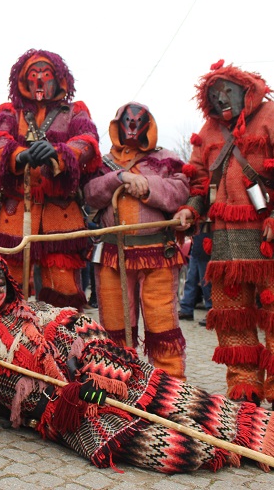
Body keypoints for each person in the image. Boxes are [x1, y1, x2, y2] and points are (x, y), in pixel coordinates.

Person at [0, 246, 274, 476]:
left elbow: (93, 339)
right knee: (173, 447)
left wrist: (100, 377)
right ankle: (266, 453)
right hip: (65, 414)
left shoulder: (41, 311)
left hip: (108, 383)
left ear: (7, 280)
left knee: (205, 408)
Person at [173, 61, 274, 419]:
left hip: (271, 241)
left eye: (228, 92)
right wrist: (191, 209)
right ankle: (244, 389)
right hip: (225, 244)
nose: (222, 99)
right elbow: (199, 181)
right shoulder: (208, 131)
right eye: (214, 94)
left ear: (245, 91)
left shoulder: (273, 116)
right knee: (232, 318)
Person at [0, 49, 100, 309]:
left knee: (63, 289)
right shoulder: (10, 112)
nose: (39, 81)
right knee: (9, 284)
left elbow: (88, 141)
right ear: (22, 81)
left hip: (60, 213)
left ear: (59, 80)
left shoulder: (75, 112)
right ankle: (12, 345)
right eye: (33, 74)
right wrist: (18, 155)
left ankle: (61, 345)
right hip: (17, 213)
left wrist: (61, 154)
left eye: (46, 74)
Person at [84, 103, 189, 380]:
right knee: (115, 328)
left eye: (138, 121)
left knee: (162, 326)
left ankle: (169, 387)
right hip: (111, 255)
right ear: (117, 125)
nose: (132, 126)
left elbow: (181, 191)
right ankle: (120, 385)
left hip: (159, 253)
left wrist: (148, 186)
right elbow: (91, 194)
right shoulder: (103, 164)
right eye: (127, 121)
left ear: (148, 125)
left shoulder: (166, 159)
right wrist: (119, 178)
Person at [178, 225, 213, 326]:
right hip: (197, 246)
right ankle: (186, 309)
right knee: (191, 279)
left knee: (206, 282)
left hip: (206, 244)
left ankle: (211, 311)